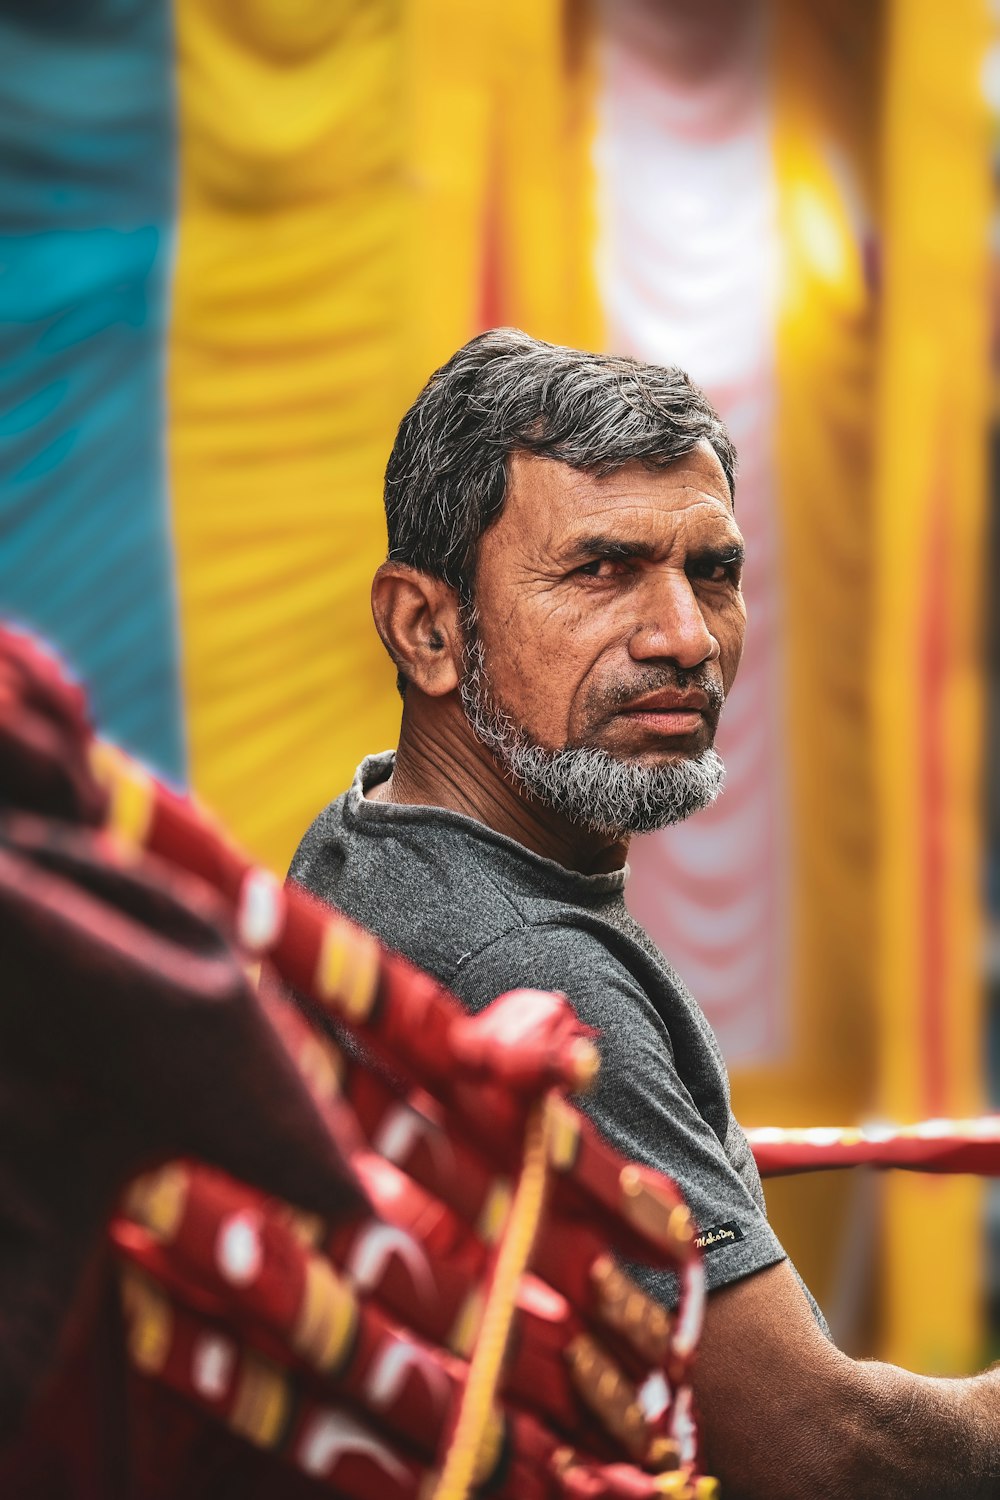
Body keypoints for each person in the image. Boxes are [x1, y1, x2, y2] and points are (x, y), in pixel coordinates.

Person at [290, 328, 1000, 1498]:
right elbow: (821, 1454)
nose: (683, 639)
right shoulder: (528, 973)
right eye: (601, 571)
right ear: (426, 628)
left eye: (711, 572)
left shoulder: (369, 831)